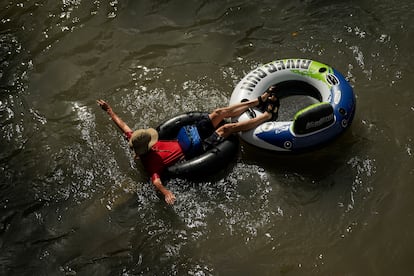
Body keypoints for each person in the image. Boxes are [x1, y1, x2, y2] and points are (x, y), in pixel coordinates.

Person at [97, 87, 279, 205]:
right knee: (226, 129)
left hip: (188, 135)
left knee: (218, 113)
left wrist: (109, 111)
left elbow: (124, 126)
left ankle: (259, 101)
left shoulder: (136, 139)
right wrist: (166, 193)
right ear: (147, 147)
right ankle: (266, 117)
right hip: (195, 149)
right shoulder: (151, 164)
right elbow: (156, 181)